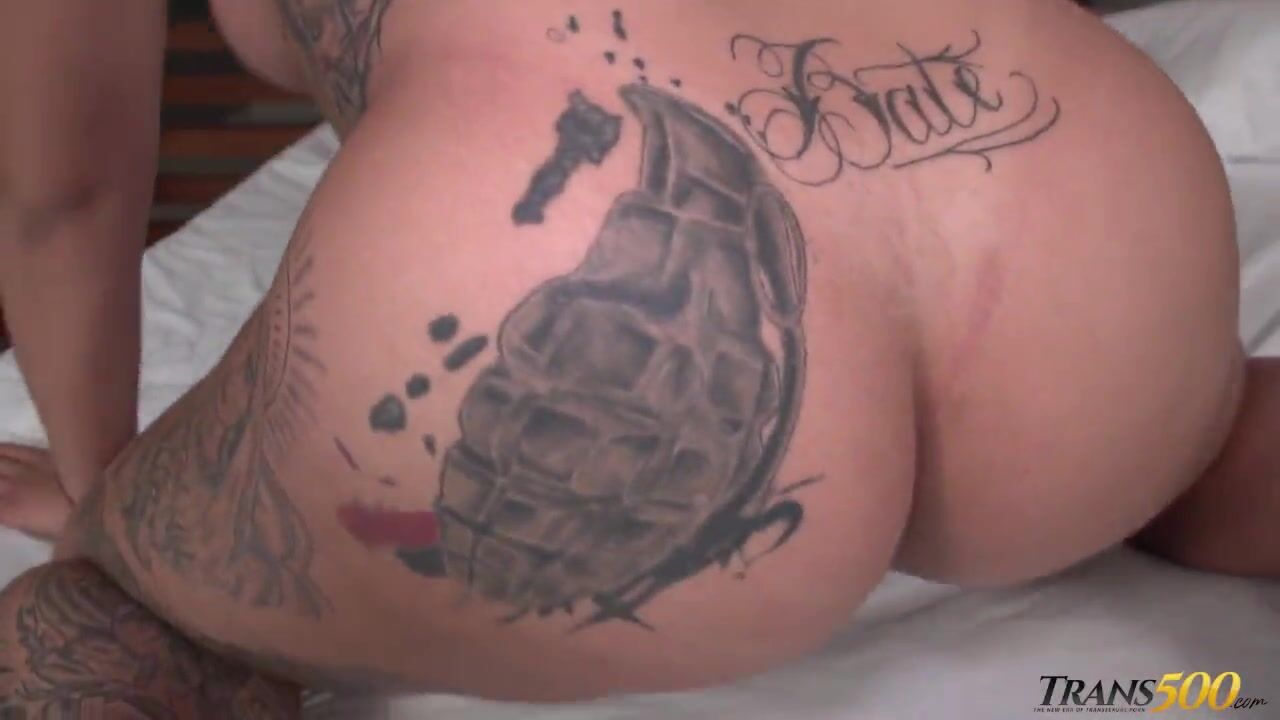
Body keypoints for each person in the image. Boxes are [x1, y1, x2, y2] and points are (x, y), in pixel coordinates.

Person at [0, 0, 1274, 714]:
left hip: (573, 285)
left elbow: (64, 193)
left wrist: (106, 506)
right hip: (1066, 194)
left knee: (95, 630)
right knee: (1209, 448)